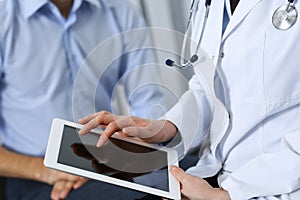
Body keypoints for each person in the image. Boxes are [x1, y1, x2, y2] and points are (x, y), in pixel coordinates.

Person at [79, 0, 300, 199]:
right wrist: (168, 127)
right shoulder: (212, 4)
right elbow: (208, 86)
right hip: (211, 179)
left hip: (279, 185)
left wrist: (227, 195)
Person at [0, 0, 167, 199]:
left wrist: (131, 152)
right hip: (34, 173)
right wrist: (47, 171)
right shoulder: (5, 16)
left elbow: (148, 101)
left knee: (197, 175)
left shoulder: (119, 10)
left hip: (105, 158)